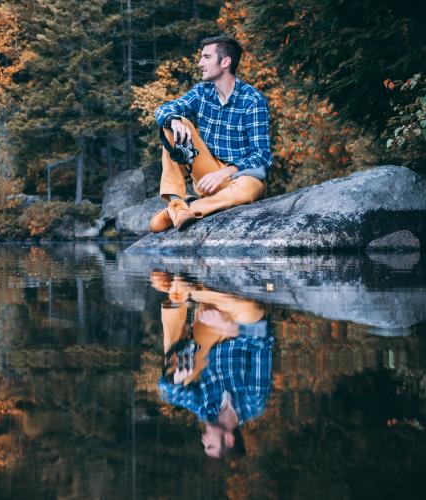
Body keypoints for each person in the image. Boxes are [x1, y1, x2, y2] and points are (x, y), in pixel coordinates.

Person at [150, 35, 272, 233]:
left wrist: (225, 172)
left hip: (240, 177)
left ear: (225, 62)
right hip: (207, 174)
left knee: (248, 189)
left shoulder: (253, 100)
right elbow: (162, 110)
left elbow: (262, 155)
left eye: (206, 57)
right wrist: (173, 120)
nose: (200, 64)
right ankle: (175, 201)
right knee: (171, 123)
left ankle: (183, 210)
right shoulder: (202, 92)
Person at [151, 271, 273, 458]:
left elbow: (166, 394)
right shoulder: (253, 401)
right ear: (229, 439)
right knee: (252, 311)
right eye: (210, 446)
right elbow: (264, 338)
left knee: (175, 368)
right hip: (237, 323)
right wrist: (231, 329)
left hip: (210, 330)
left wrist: (175, 380)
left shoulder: (206, 410)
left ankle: (177, 297)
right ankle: (185, 290)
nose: (203, 441)